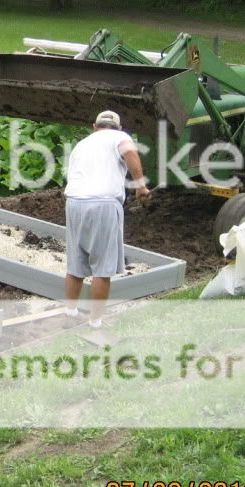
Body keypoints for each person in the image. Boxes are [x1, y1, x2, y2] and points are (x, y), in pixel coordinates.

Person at [64, 110, 150, 327]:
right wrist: (140, 186)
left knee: (76, 263)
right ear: (118, 128)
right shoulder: (120, 137)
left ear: (95, 126)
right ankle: (95, 322)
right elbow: (130, 152)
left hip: (74, 202)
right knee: (102, 268)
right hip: (102, 204)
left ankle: (70, 313)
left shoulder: (82, 144)